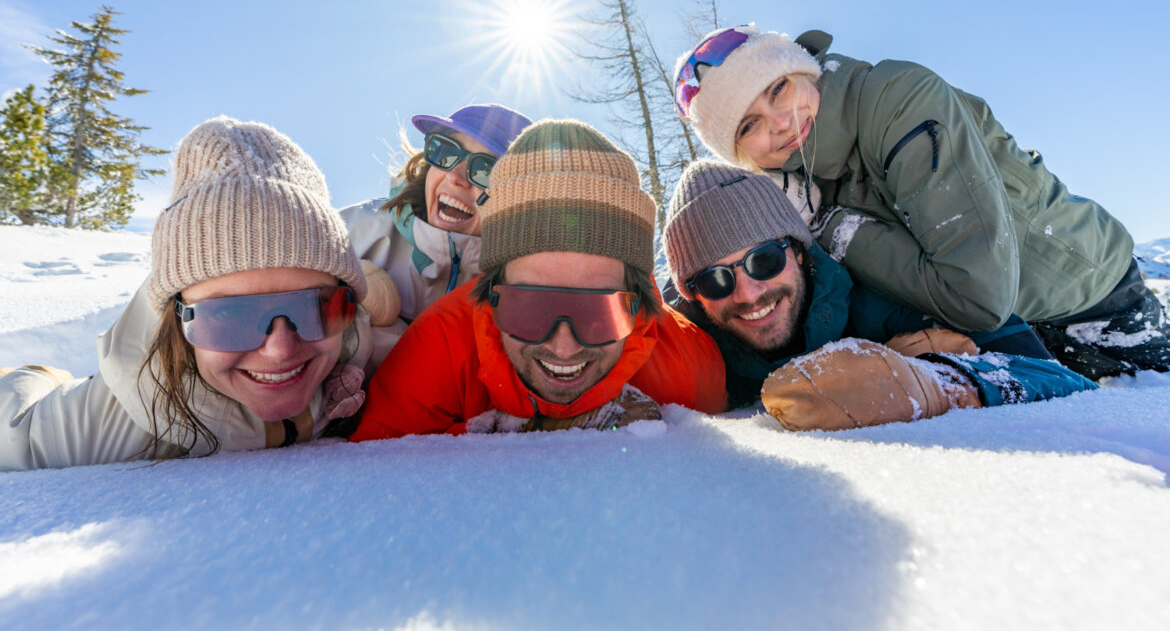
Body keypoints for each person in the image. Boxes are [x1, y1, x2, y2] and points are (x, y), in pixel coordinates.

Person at [672, 24, 1170, 380]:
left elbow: (979, 297)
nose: (778, 121)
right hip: (1002, 339)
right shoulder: (792, 181)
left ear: (801, 70)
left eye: (777, 89)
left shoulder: (899, 100)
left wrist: (833, 224)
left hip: (1089, 297)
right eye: (748, 126)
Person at [0, 117, 381, 470]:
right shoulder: (104, 431)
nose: (280, 349)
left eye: (315, 307)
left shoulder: (356, 355)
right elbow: (15, 436)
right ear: (178, 318)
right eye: (230, 316)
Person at [349, 119, 727, 440]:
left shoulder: (685, 367)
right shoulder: (441, 346)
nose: (563, 348)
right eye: (528, 307)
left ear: (638, 302)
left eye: (601, 312)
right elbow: (375, 469)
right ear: (491, 291)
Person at [663, 159, 1096, 430]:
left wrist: (944, 383)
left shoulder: (882, 295)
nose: (749, 292)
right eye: (714, 279)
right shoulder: (691, 350)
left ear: (797, 251)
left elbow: (1053, 375)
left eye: (764, 260)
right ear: (693, 295)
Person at [340, 104, 532, 376]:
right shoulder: (359, 229)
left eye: (486, 170)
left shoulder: (521, 289)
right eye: (446, 152)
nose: (455, 177)